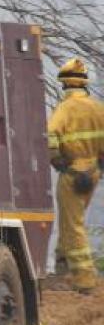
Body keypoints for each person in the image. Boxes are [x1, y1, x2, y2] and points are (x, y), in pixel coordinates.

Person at [47, 58, 104, 293]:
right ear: (84, 84)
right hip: (92, 173)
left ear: (64, 85)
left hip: (72, 173)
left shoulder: (64, 108)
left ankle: (84, 279)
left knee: (73, 225)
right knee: (71, 221)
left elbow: (50, 136)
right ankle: (62, 269)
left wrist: (57, 161)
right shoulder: (97, 107)